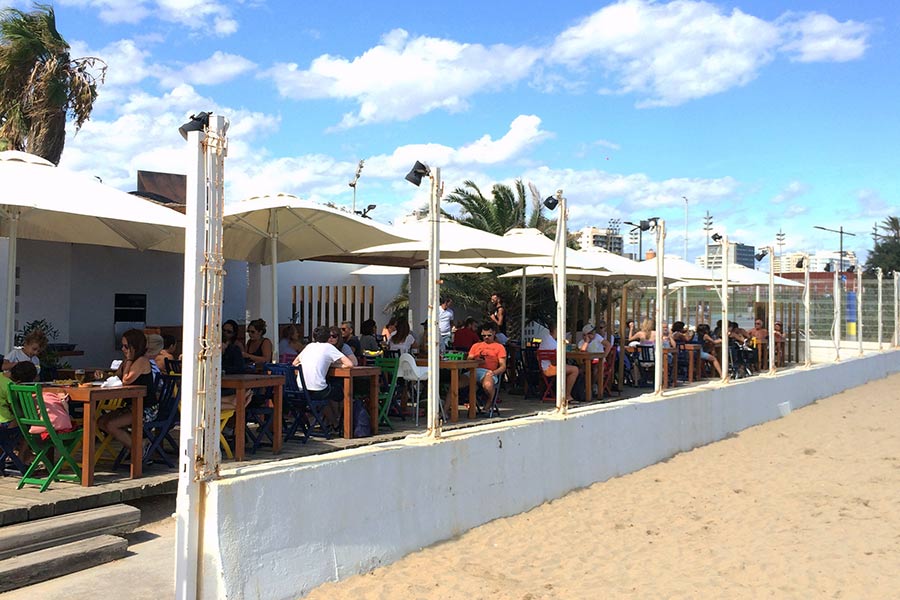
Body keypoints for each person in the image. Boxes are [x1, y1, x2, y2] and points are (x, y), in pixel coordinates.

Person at [97, 329, 157, 454]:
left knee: (111, 425)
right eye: (122, 346)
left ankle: (139, 448)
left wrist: (129, 360)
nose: (123, 349)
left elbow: (126, 380)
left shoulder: (141, 361)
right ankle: (136, 444)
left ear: (134, 347)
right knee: (101, 421)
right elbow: (117, 377)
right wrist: (103, 376)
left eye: (126, 346)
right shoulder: (126, 362)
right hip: (131, 406)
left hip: (146, 408)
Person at [293, 326, 354, 431]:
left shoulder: (309, 346)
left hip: (301, 390)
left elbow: (294, 363)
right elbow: (349, 364)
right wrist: (334, 365)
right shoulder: (328, 347)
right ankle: (338, 423)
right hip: (317, 390)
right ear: (327, 337)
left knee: (325, 395)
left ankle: (332, 423)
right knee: (339, 391)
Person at [466, 323, 507, 411]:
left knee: (487, 385)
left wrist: (494, 372)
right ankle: (444, 412)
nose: (486, 337)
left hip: (489, 371)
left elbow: (503, 366)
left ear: (494, 333)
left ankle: (489, 402)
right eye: (484, 335)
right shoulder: (476, 346)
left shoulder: (499, 347)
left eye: (489, 335)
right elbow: (468, 360)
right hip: (474, 370)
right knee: (455, 384)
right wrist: (475, 361)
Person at [538, 323, 579, 403]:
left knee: (570, 368)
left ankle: (564, 392)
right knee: (575, 369)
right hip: (550, 368)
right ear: (555, 330)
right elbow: (555, 361)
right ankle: (567, 395)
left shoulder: (547, 339)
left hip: (546, 366)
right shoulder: (552, 343)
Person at [578, 322, 612, 397]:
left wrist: (604, 355)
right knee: (581, 370)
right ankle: (583, 388)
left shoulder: (598, 337)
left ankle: (593, 386)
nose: (592, 335)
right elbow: (582, 352)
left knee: (597, 369)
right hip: (587, 362)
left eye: (592, 333)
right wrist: (586, 342)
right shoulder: (582, 342)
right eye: (588, 334)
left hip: (599, 361)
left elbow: (608, 345)